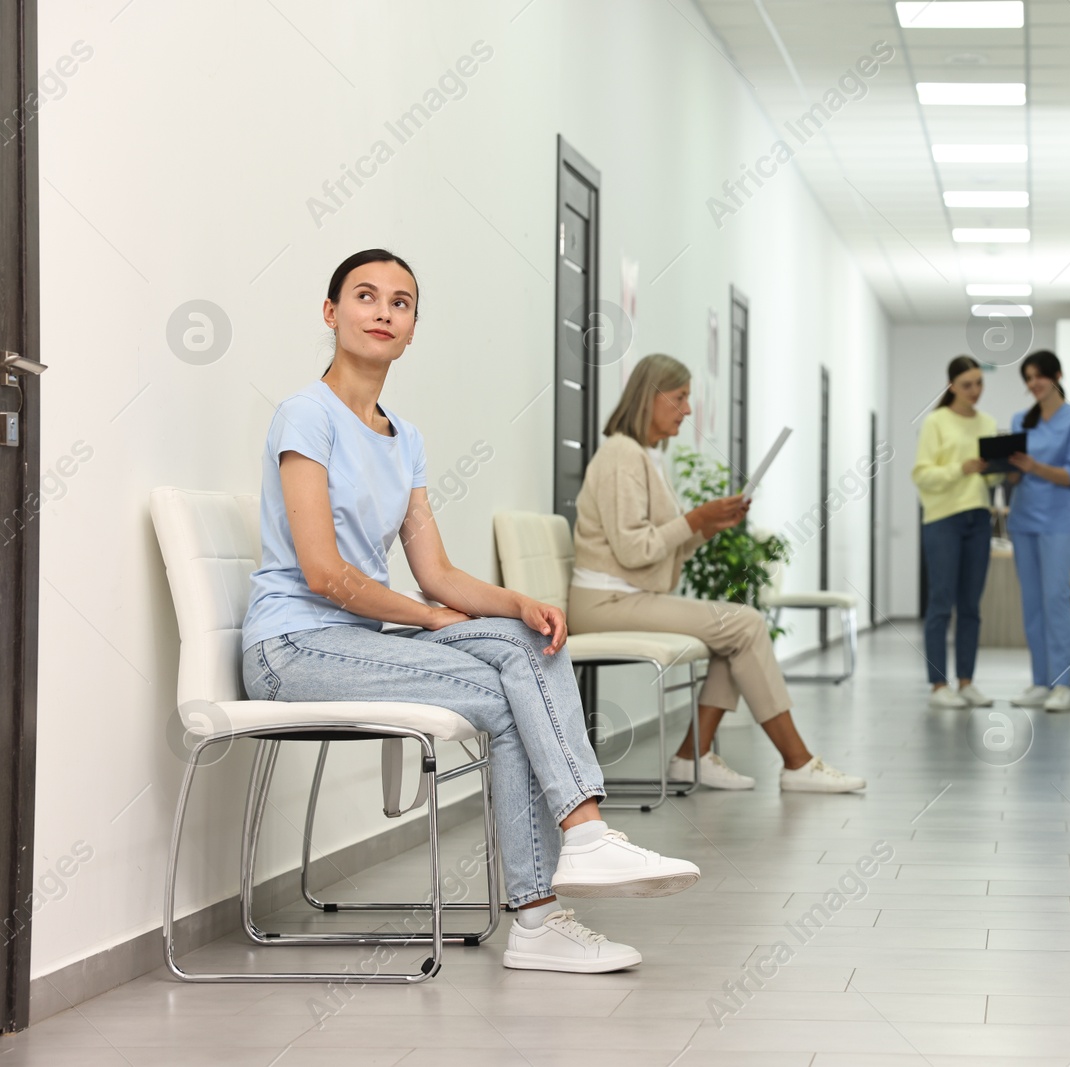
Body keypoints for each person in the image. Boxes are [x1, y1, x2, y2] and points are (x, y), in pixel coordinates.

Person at [241, 249, 701, 976]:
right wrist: (430, 619)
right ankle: (551, 893)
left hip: (358, 642)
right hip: (293, 646)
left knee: (526, 642)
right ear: (331, 313)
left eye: (400, 302)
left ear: (414, 326)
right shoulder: (306, 415)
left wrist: (520, 601)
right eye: (365, 296)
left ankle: (570, 863)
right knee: (507, 692)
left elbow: (437, 573)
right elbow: (326, 574)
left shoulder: (407, 439)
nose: (383, 311)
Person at [566, 353, 866, 794]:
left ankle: (693, 756)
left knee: (735, 634)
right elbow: (634, 549)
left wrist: (706, 525)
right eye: (681, 398)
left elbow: (654, 547)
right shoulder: (621, 456)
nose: (687, 410)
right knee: (744, 623)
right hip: (605, 604)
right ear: (651, 397)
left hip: (628, 596)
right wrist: (695, 519)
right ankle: (797, 763)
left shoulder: (647, 457)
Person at [911, 355, 1003, 710]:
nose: (975, 391)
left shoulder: (988, 422)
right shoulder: (936, 422)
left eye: (980, 383)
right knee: (941, 603)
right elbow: (921, 474)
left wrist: (999, 469)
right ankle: (938, 685)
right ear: (952, 387)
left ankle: (966, 682)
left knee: (970, 606)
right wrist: (959, 468)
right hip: (943, 519)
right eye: (968, 385)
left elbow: (989, 478)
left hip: (978, 518)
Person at [1007, 350, 1070, 712]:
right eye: (1028, 378)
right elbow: (1014, 474)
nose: (1033, 384)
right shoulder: (1020, 421)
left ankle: (1063, 685)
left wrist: (1034, 466)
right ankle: (1040, 681)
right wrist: (1003, 466)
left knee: (1056, 599)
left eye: (1038, 376)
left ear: (1057, 375)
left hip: (1057, 522)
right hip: (1023, 520)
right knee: (1032, 603)